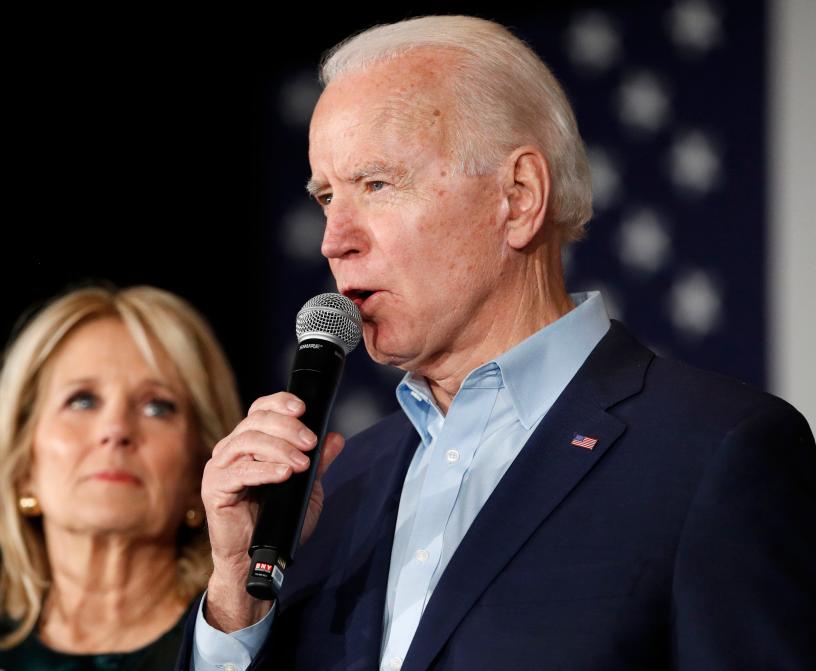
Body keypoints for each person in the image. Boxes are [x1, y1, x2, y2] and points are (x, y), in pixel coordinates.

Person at [183, 14, 816, 671]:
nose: (333, 238)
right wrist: (235, 598)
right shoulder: (328, 488)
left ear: (518, 198)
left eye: (376, 185)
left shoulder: (716, 454)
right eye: (325, 196)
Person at [0, 284, 242, 670]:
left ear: (201, 469)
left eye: (157, 407)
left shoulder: (238, 643)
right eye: (81, 400)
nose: (115, 429)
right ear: (23, 469)